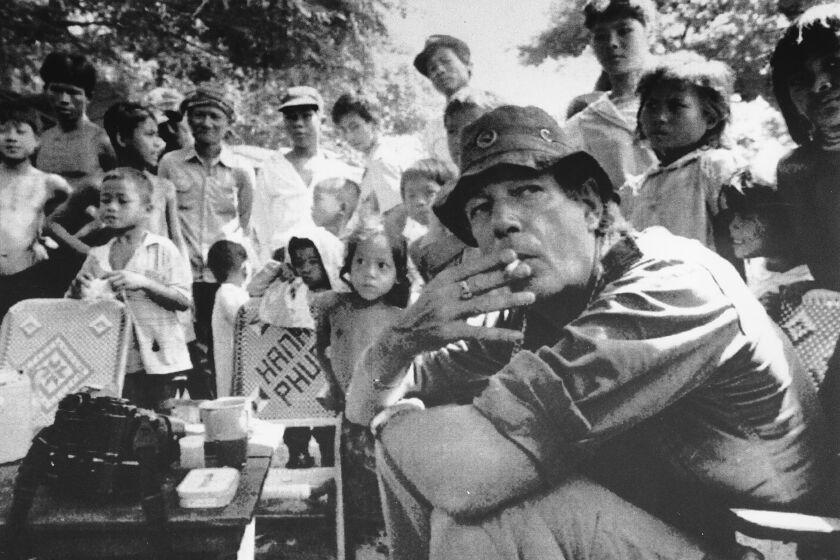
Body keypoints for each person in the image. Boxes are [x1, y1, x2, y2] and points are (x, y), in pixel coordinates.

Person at [345, 105, 829, 560]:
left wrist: (391, 423)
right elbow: (360, 402)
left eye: (527, 192)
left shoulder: (669, 286)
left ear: (592, 207)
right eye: (480, 208)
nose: (502, 222)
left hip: (764, 541)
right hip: (665, 524)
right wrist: (403, 338)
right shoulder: (530, 307)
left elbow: (471, 476)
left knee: (491, 514)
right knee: (435, 473)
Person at [158, 83, 255, 400]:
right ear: (187, 119)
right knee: (193, 347)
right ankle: (204, 414)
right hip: (185, 272)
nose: (206, 123)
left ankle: (232, 408)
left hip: (225, 274)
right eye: (198, 115)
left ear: (229, 123)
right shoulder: (170, 163)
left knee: (227, 343)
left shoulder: (241, 169)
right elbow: (164, 218)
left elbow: (246, 224)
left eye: (214, 116)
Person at [68, 168, 192, 410]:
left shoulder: (161, 249)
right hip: (118, 363)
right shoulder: (97, 255)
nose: (112, 207)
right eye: (105, 201)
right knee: (123, 424)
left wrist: (144, 283)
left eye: (122, 201)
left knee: (164, 424)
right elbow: (77, 309)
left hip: (162, 361)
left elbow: (183, 300)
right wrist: (76, 291)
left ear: (147, 209)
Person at [313, 221, 409, 524]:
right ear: (348, 266)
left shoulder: (400, 319)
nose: (369, 273)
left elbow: (408, 367)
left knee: (386, 484)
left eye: (382, 266)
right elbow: (322, 347)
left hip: (386, 416)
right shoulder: (334, 309)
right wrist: (331, 383)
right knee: (350, 478)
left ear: (397, 277)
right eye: (361, 262)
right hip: (347, 410)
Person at [620, 51, 743, 257]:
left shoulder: (714, 167)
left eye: (676, 106)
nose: (660, 117)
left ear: (710, 117)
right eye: (651, 105)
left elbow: (738, 249)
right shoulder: (636, 189)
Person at [772, 3, 840, 309]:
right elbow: (828, 272)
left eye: (835, 66)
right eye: (800, 79)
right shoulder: (796, 170)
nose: (819, 85)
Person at [249, 86, 357, 263]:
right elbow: (261, 229)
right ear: (284, 123)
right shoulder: (272, 168)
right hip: (284, 265)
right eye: (291, 117)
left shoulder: (338, 169)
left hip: (329, 263)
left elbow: (349, 226)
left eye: (306, 116)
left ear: (321, 120)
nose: (298, 124)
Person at [562, 0, 658, 190]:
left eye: (624, 31)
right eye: (601, 36)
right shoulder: (583, 123)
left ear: (650, 33)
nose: (612, 43)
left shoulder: (681, 104)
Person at [0, 101, 75, 319]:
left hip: (29, 272)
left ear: (37, 141)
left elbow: (79, 216)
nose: (12, 137)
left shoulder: (50, 183)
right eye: (3, 131)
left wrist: (50, 241)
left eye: (21, 132)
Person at [102, 101, 185, 249]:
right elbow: (54, 223)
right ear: (122, 139)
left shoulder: (164, 187)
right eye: (149, 134)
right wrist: (91, 254)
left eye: (157, 135)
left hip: (158, 270)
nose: (160, 144)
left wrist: (184, 272)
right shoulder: (100, 185)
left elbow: (176, 238)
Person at [332, 92, 422, 225]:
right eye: (344, 130)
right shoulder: (378, 156)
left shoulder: (381, 162)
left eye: (355, 127)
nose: (350, 137)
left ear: (372, 123)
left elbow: (398, 216)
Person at [399, 159, 457, 280]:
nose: (419, 202)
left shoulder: (466, 234)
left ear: (448, 191)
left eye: (429, 192)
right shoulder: (417, 250)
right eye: (411, 195)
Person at [208, 240, 250, 398]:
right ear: (244, 267)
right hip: (233, 367)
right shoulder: (227, 292)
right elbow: (248, 318)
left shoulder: (231, 292)